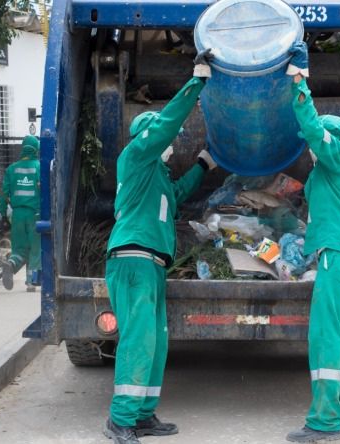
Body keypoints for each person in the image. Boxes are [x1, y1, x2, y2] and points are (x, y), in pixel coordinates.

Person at [102, 49, 218, 444]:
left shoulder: (157, 177)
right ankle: (120, 420)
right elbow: (167, 124)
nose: (172, 145)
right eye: (166, 141)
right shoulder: (136, 157)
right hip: (132, 261)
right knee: (137, 338)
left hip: (151, 265)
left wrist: (204, 163)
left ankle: (143, 415)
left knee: (155, 340)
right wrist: (197, 81)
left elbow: (180, 191)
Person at [285, 41, 340, 442]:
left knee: (325, 334)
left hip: (338, 258)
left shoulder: (335, 159)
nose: (310, 149)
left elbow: (310, 127)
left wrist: (299, 81)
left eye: (317, 145)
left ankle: (323, 422)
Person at [0, 135, 42, 292]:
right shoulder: (39, 167)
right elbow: (44, 190)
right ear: (36, 149)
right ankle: (31, 281)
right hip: (34, 215)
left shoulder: (11, 169)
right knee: (35, 248)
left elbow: (4, 194)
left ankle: (11, 263)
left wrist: (3, 214)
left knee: (19, 249)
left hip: (17, 215)